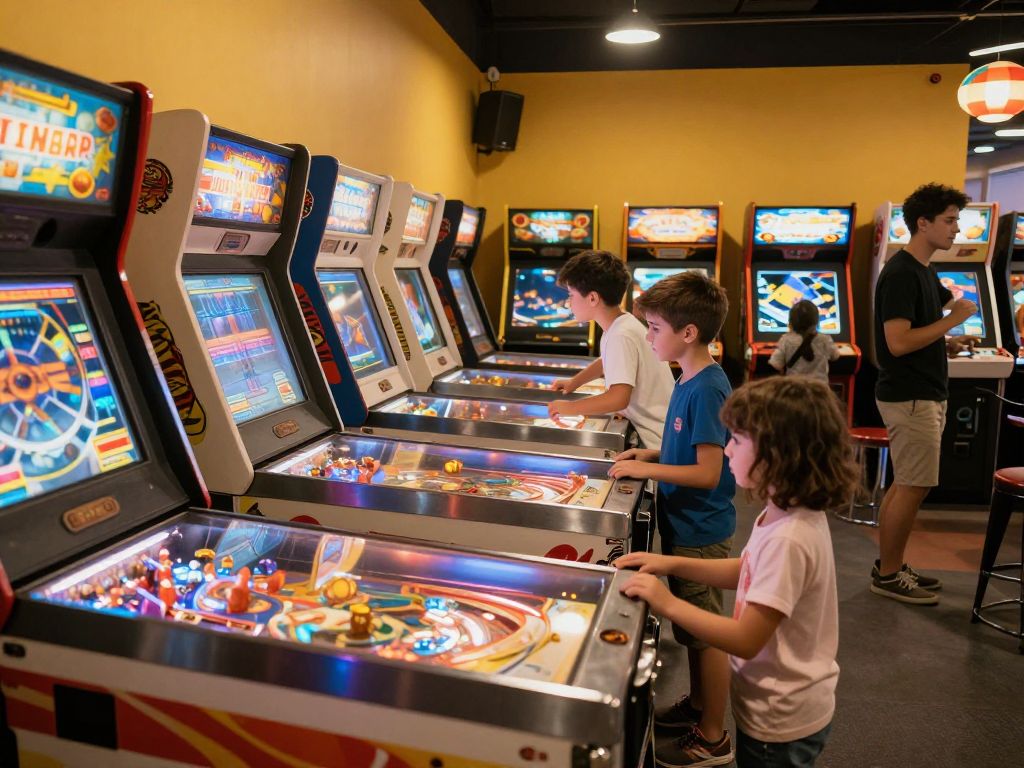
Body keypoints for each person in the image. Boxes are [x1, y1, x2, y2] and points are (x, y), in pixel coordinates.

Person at [617, 376, 857, 768]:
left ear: (780, 453)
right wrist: (670, 563)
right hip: (770, 703)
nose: (726, 449)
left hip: (779, 718)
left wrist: (666, 603)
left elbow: (745, 639)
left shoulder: (790, 538)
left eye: (738, 440)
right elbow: (747, 570)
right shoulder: (783, 509)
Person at [608, 271, 736, 766]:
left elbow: (707, 471)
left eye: (655, 327)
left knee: (705, 634)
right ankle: (700, 705)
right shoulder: (689, 376)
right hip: (684, 521)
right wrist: (651, 453)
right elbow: (689, 448)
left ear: (688, 333)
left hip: (701, 529)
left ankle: (713, 736)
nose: (648, 336)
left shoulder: (707, 388)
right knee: (692, 629)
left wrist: (650, 465)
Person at [872, 183, 979, 605]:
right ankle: (889, 573)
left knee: (907, 485)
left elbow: (918, 334)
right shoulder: (901, 273)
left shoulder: (922, 271)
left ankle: (891, 564)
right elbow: (897, 343)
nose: (957, 230)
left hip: (921, 391)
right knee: (913, 486)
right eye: (950, 220)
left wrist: (946, 340)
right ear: (923, 222)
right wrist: (953, 320)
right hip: (910, 395)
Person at [547, 250, 674, 449]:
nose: (568, 302)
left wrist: (570, 408)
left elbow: (618, 398)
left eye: (571, 295)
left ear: (592, 298)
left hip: (655, 443)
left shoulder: (620, 335)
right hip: (658, 433)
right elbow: (606, 360)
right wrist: (575, 382)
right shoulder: (622, 325)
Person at [768, 299, 839, 382]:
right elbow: (835, 356)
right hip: (820, 390)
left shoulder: (786, 340)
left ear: (790, 322)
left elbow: (776, 364)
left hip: (795, 389)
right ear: (816, 321)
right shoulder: (825, 339)